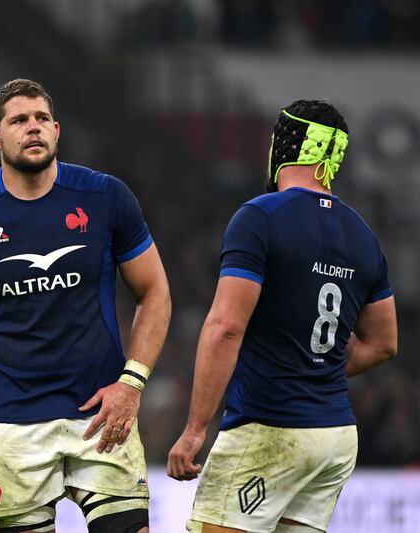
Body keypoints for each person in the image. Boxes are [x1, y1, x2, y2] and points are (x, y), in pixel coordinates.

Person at [0, 79, 171, 533]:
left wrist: (132, 384)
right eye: (19, 120)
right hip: (14, 420)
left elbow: (155, 292)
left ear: (57, 130)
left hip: (100, 413)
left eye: (42, 119)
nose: (33, 128)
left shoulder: (105, 197)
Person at [167, 100, 398, 533]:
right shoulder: (364, 236)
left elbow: (225, 326)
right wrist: (318, 370)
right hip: (333, 437)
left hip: (269, 429)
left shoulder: (259, 217)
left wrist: (196, 429)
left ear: (285, 146)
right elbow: (385, 343)